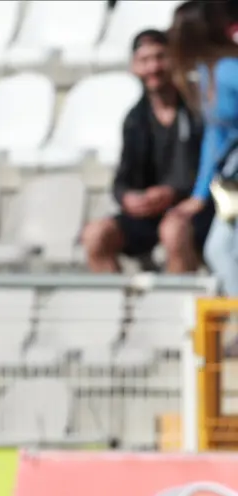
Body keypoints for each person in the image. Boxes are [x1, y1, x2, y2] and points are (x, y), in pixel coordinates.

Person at [82, 29, 210, 275]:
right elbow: (123, 178)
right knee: (95, 235)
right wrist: (128, 197)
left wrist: (172, 193)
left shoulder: (197, 111)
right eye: (144, 60)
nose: (153, 67)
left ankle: (174, 311)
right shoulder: (135, 118)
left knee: (173, 231)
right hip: (149, 213)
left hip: (193, 209)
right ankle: (120, 311)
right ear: (134, 67)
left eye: (160, 57)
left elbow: (206, 169)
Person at [168, 0, 238, 298]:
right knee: (218, 250)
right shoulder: (206, 72)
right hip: (232, 178)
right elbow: (215, 134)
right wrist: (199, 195)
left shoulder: (228, 70)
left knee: (224, 251)